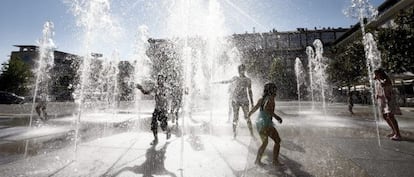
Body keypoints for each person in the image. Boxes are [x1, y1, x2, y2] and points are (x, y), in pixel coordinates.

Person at [215, 64, 254, 138]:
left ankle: (252, 134)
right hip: (235, 100)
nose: (241, 71)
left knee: (247, 117)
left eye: (242, 69)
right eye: (240, 70)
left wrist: (252, 103)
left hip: (244, 100)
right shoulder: (235, 78)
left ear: (244, 70)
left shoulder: (248, 80)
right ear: (238, 70)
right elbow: (227, 81)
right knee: (235, 117)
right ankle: (234, 134)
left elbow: (250, 91)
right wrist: (218, 82)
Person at [248, 83, 283, 166]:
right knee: (277, 140)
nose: (276, 90)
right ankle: (275, 161)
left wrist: (249, 114)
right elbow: (267, 109)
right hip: (266, 123)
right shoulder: (270, 98)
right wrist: (277, 117)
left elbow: (255, 108)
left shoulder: (261, 99)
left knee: (265, 142)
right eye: (274, 89)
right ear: (271, 90)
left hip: (260, 123)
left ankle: (257, 160)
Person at [136, 74, 171, 145]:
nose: (160, 80)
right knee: (153, 124)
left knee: (163, 126)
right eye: (159, 79)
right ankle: (155, 139)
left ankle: (167, 131)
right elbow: (146, 92)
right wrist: (141, 88)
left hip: (163, 110)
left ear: (163, 80)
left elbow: (168, 97)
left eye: (161, 79)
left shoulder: (166, 88)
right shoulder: (155, 88)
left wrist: (167, 110)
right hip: (157, 109)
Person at [374, 68, 402, 141]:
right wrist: (377, 94)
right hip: (383, 100)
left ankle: (398, 134)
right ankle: (394, 131)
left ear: (381, 73)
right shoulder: (378, 80)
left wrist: (378, 79)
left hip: (390, 99)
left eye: (377, 74)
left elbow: (383, 84)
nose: (375, 75)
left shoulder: (387, 79)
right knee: (384, 116)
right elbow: (379, 88)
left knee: (390, 116)